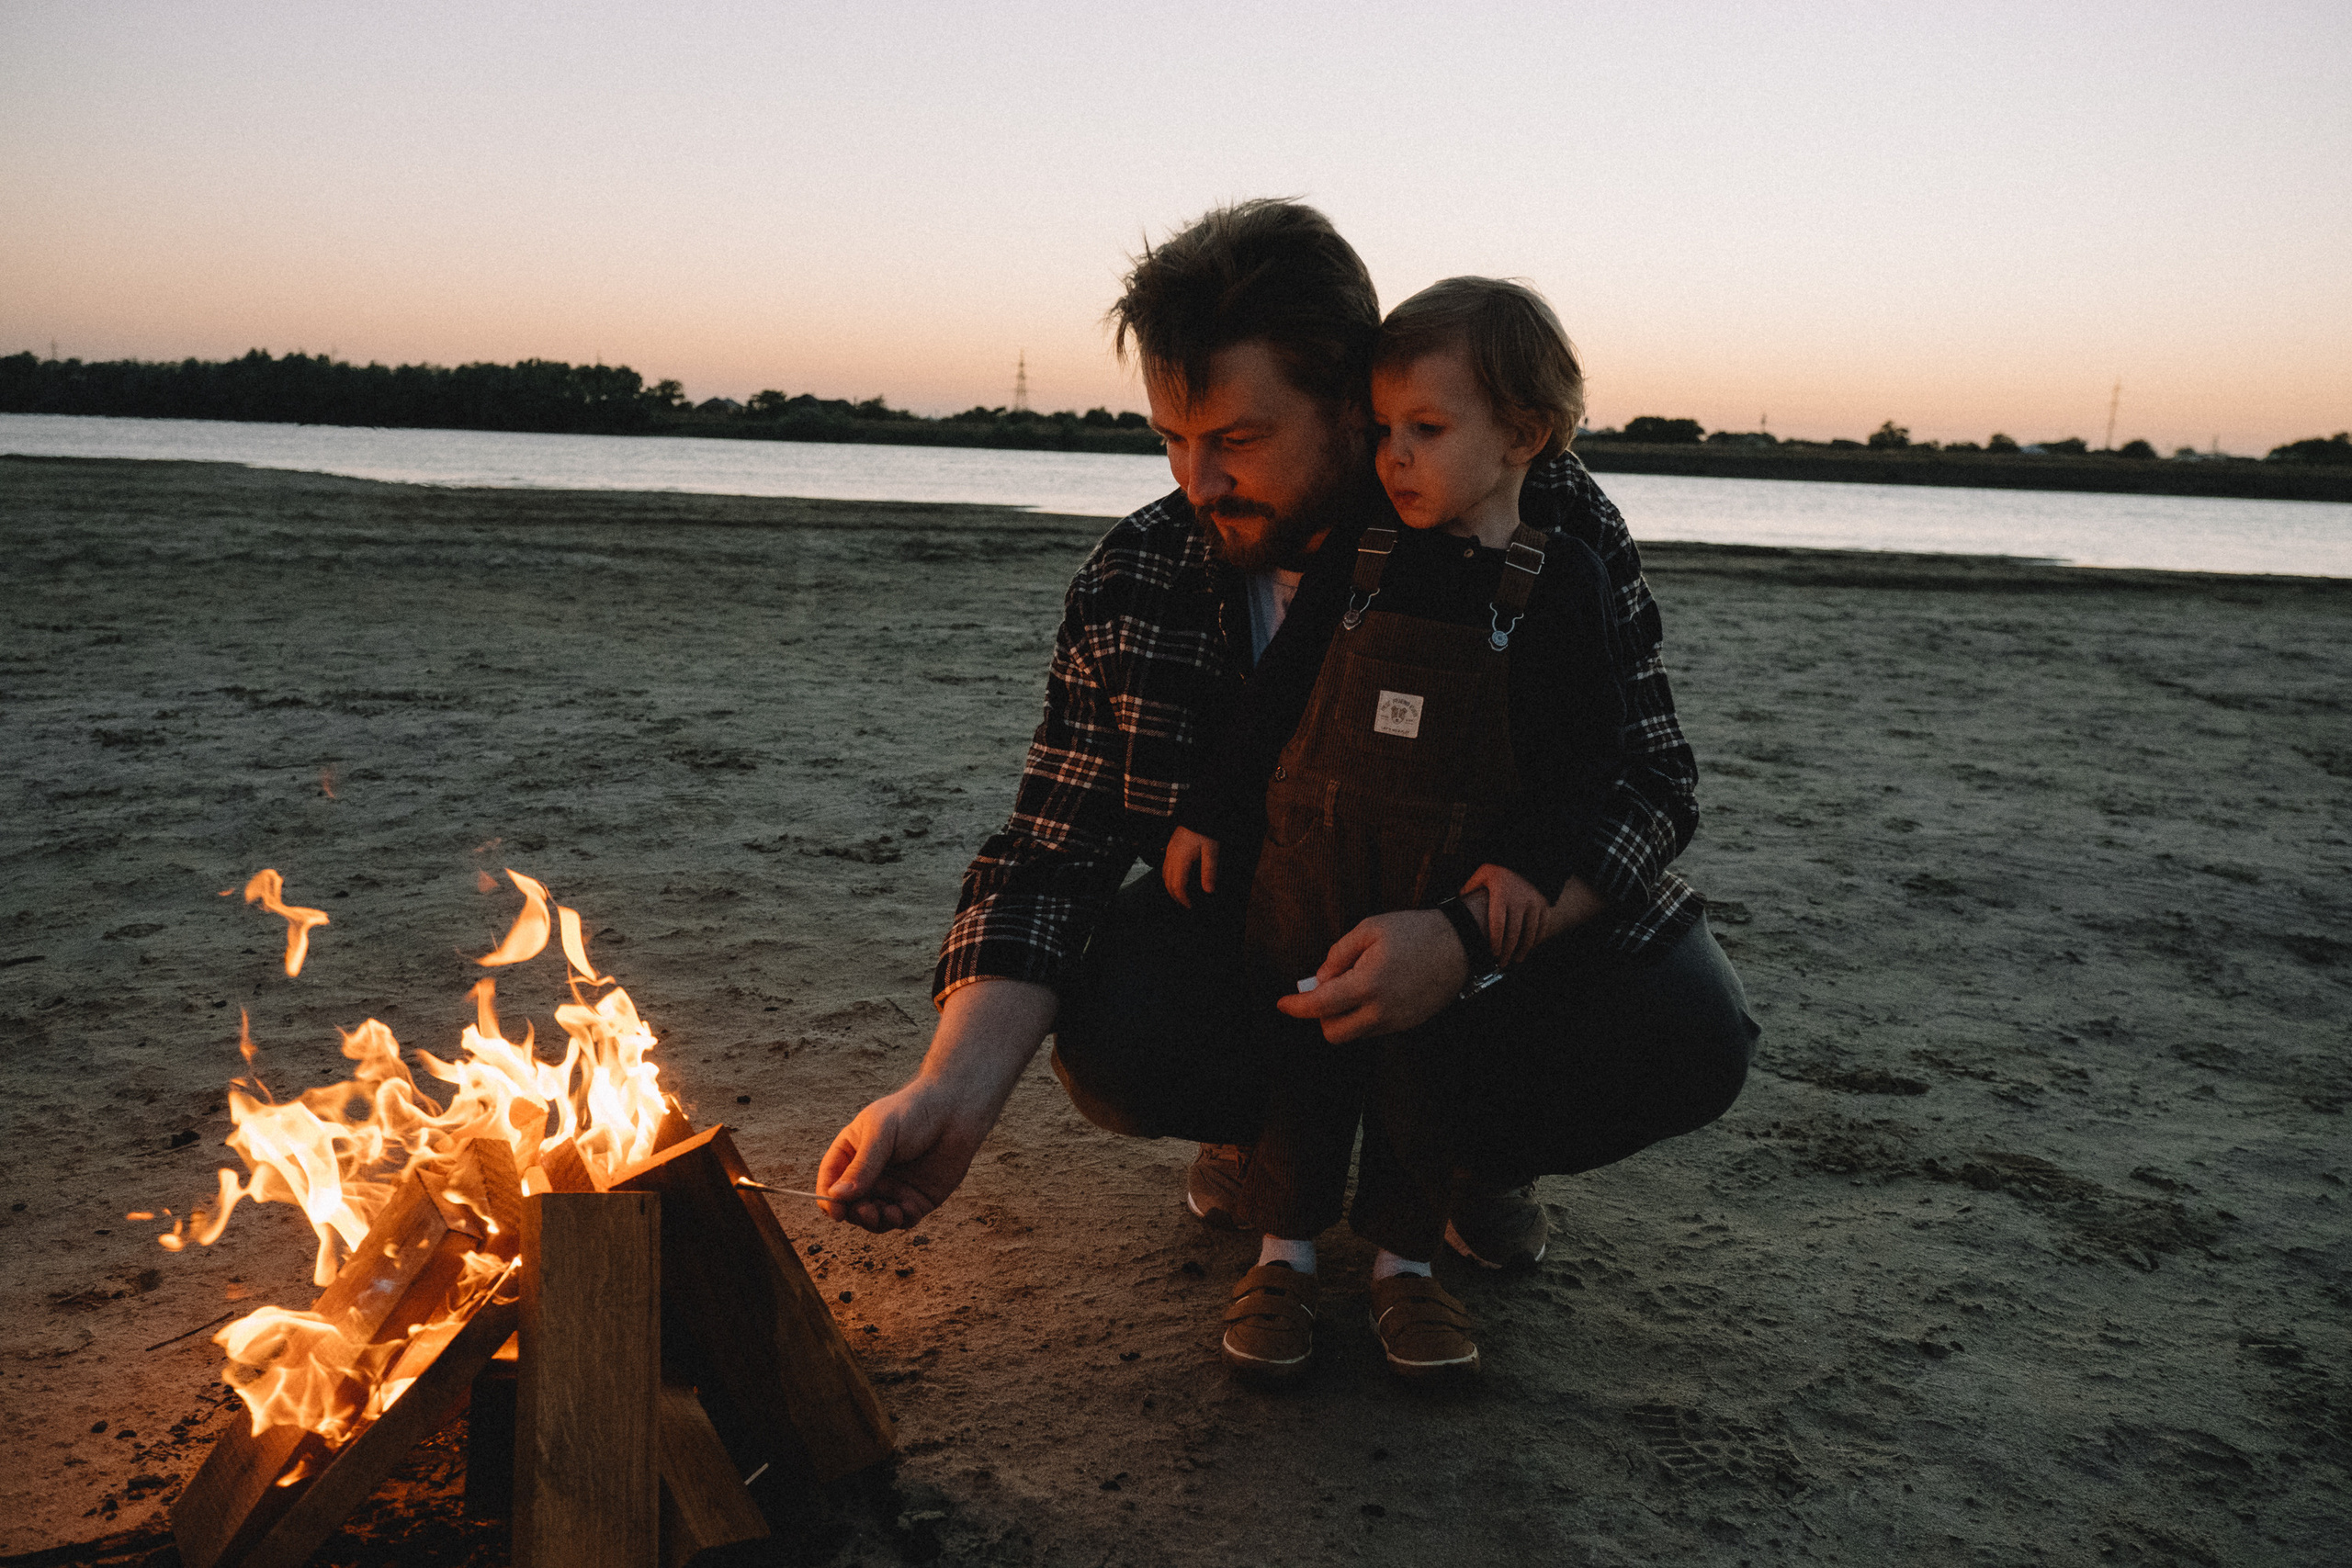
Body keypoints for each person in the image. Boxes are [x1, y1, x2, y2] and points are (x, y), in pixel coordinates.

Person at [816, 198, 1758, 1383]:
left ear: (1353, 405)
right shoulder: (1140, 576)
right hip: (1276, 940)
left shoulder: (1548, 526)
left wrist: (1467, 939)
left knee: (1684, 1030)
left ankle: (1474, 1156)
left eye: (1239, 439)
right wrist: (947, 1096)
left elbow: (1648, 782)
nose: (1196, 481)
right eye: (1170, 437)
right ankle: (1262, 1144)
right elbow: (1049, 848)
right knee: (1117, 1025)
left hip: (1486, 945)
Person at [1156, 276, 1629, 1380]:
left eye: (1426, 430)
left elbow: (1592, 757)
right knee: (1300, 1055)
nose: (1393, 457)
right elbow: (1274, 704)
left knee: (1434, 1075)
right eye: (1382, 431)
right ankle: (1282, 1256)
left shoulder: (1563, 582)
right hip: (1314, 869)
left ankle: (1405, 1271)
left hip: (1447, 887)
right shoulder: (1362, 557)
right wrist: (1211, 812)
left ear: (1523, 434)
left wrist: (1522, 870)